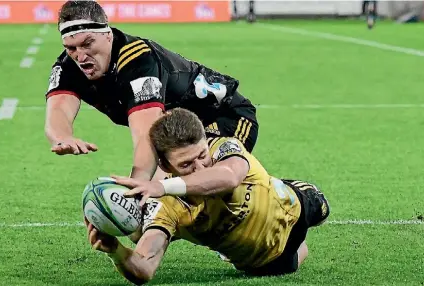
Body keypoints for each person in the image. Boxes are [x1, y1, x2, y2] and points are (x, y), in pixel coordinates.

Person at [85, 108, 331, 285]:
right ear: (166, 166)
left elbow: (229, 177)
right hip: (267, 259)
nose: (201, 167)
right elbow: (144, 269)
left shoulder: (224, 147)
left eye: (202, 155)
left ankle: (282, 186)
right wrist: (115, 251)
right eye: (186, 164)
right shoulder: (165, 208)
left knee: (322, 209)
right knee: (299, 255)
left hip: (294, 205)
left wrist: (160, 187)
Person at [44, 0, 259, 183]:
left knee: (204, 187)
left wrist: (135, 188)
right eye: (71, 48)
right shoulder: (67, 66)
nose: (80, 57)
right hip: (177, 133)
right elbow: (59, 110)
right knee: (156, 210)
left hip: (225, 116)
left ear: (107, 35)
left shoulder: (137, 61)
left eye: (88, 44)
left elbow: (146, 136)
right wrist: (63, 136)